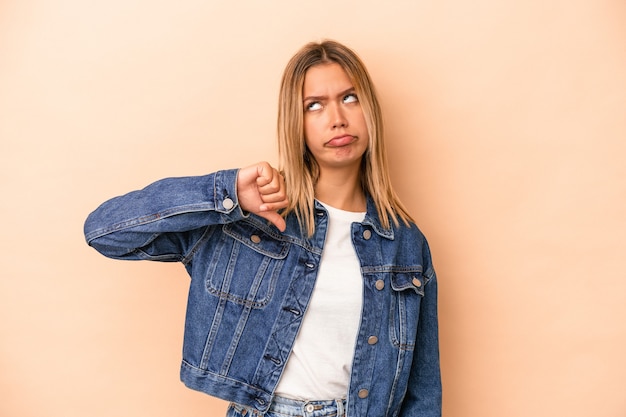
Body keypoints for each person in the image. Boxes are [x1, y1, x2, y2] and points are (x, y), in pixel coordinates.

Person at [84, 40, 441, 417]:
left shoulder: (404, 243)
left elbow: (423, 392)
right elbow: (105, 231)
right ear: (296, 122)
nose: (337, 117)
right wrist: (226, 192)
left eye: (349, 98)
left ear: (370, 110)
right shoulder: (253, 217)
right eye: (314, 105)